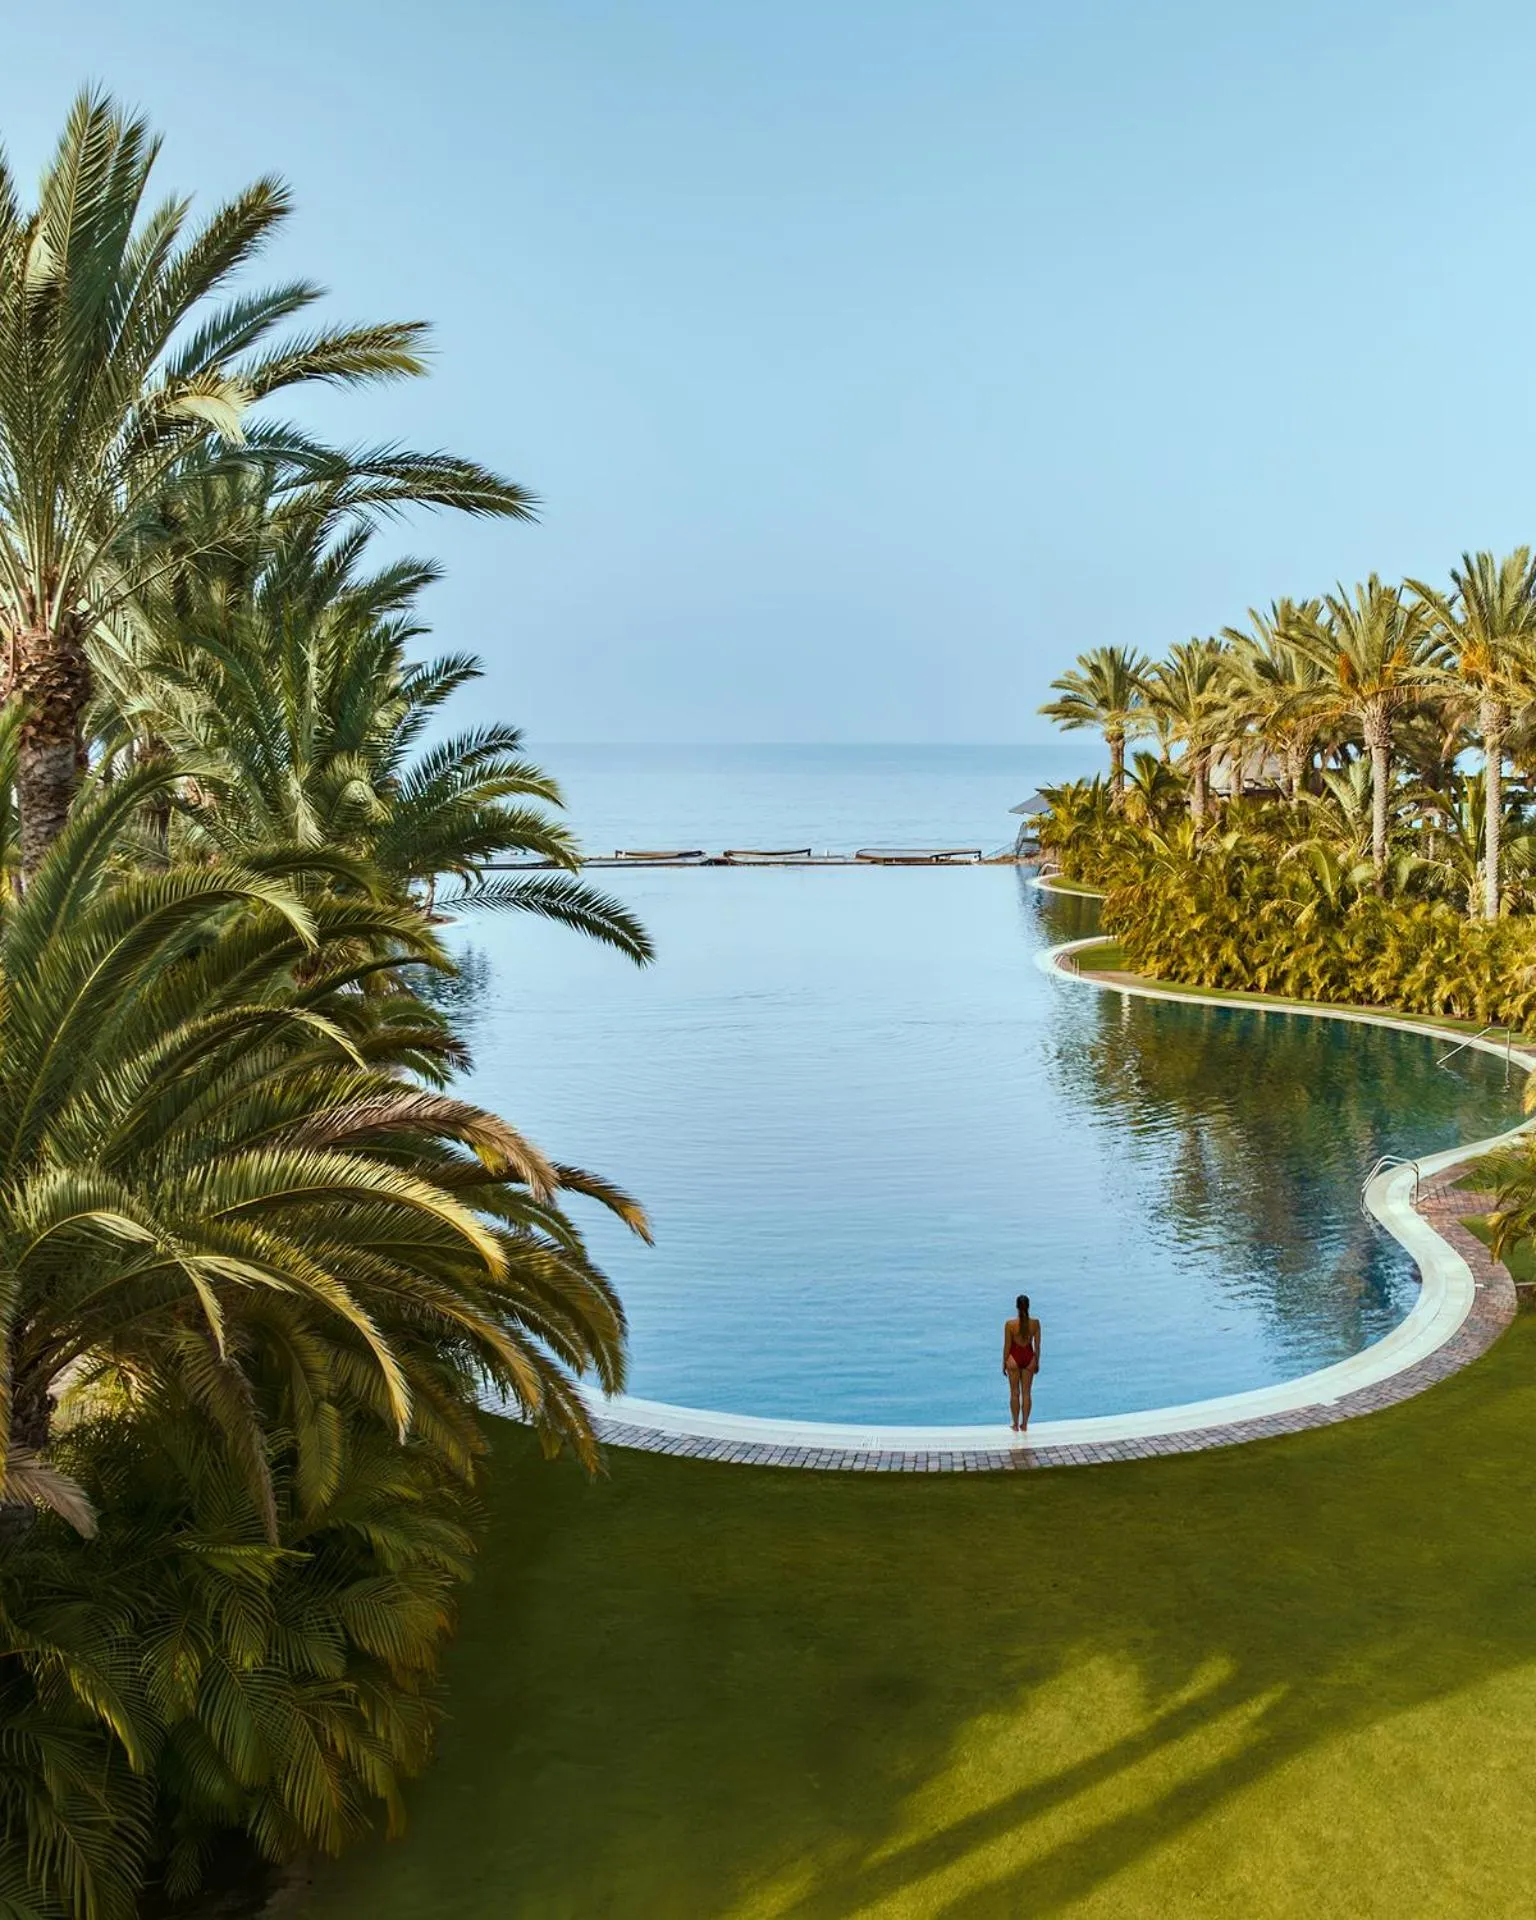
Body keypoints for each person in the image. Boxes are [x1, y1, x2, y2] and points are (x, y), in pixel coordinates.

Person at [1002, 1293, 1041, 1433]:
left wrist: (1003, 1363)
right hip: (1029, 1358)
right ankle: (1025, 1424)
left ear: (1017, 1307)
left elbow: (1007, 1346)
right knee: (1026, 1393)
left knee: (1014, 1393)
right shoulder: (1035, 1323)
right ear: (1028, 1306)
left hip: (1014, 1358)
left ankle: (1015, 1424)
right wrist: (1037, 1362)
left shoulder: (1010, 1325)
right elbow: (1037, 1346)